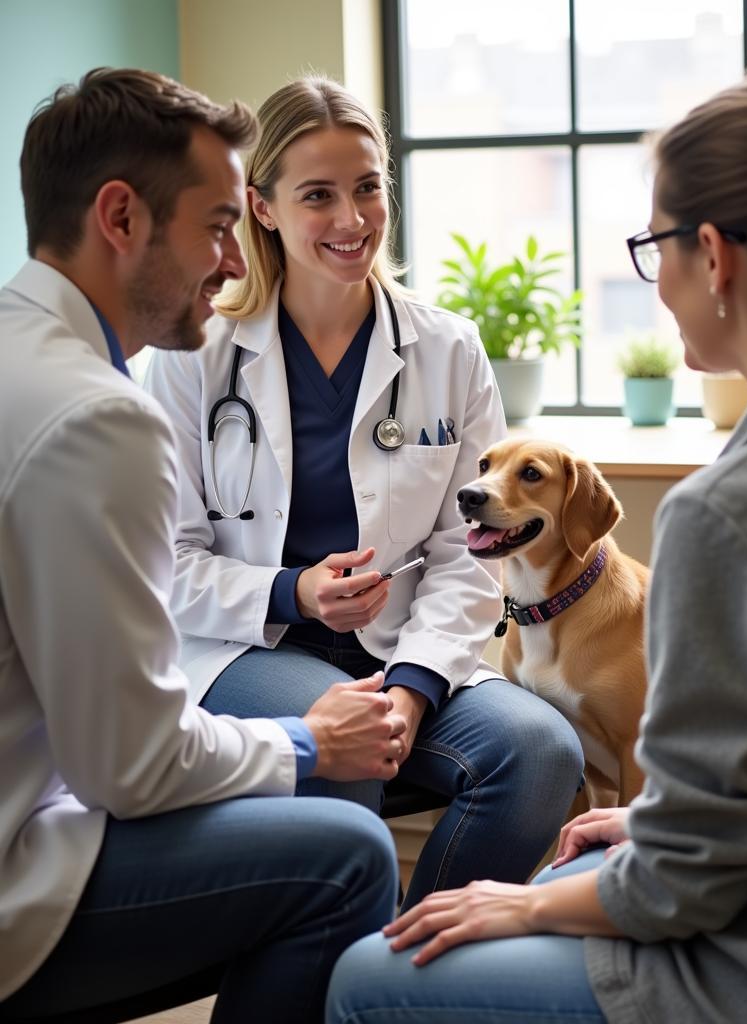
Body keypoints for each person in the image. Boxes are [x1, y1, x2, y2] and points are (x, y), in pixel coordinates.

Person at [326, 73, 747, 1024]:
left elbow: (678, 892)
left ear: (714, 257)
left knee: (371, 978)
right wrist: (657, 823)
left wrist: (524, 901)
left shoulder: (729, 514)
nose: (657, 278)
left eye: (655, 247)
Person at [0, 68, 405, 1023]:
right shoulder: (101, 418)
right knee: (349, 857)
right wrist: (315, 741)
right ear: (120, 218)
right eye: (219, 224)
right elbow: (129, 768)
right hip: (20, 867)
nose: (233, 260)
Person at [142, 75, 584, 910]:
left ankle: (402, 973)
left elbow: (471, 553)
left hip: (403, 649)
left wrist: (417, 683)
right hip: (249, 650)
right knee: (337, 756)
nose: (352, 220)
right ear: (261, 207)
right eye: (318, 195)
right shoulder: (193, 355)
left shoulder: (446, 350)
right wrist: (291, 590)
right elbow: (162, 559)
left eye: (368, 187)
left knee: (538, 756)